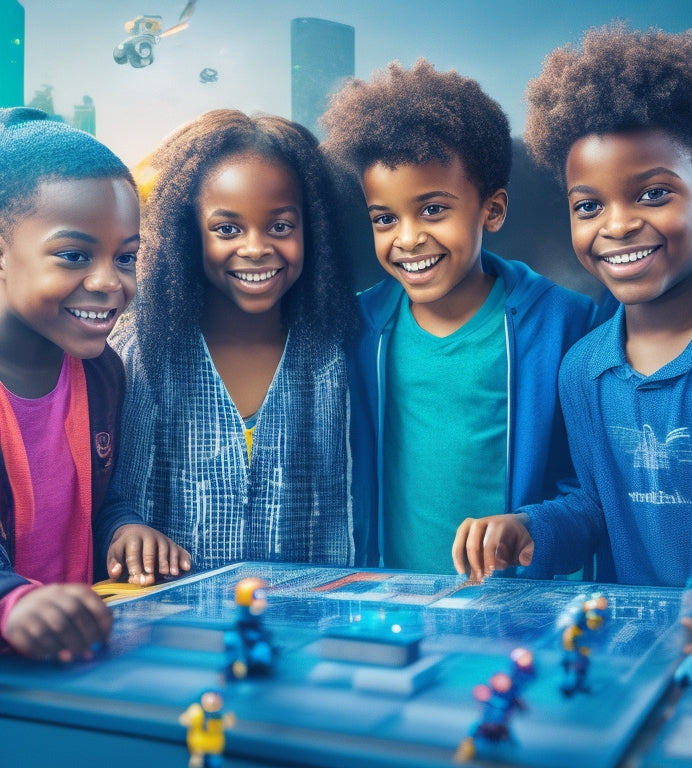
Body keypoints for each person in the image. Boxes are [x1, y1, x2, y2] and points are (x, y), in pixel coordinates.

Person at [452, 26, 692, 678]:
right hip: (634, 662)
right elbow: (596, 507)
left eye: (653, 193)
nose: (617, 225)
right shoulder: (584, 367)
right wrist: (530, 530)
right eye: (589, 204)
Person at [321, 60, 596, 573]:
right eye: (385, 218)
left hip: (516, 611)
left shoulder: (565, 324)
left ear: (491, 210)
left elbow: (590, 490)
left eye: (432, 210)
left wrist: (532, 526)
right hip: (391, 603)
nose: (407, 238)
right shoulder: (357, 327)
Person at [102, 109, 368, 570]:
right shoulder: (140, 354)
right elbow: (110, 498)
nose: (256, 248)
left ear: (314, 229)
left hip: (306, 627)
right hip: (173, 626)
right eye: (227, 229)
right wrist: (125, 529)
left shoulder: (336, 359)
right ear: (187, 233)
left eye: (281, 226)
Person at [0, 107, 189, 661]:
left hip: (71, 662)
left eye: (126, 257)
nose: (110, 282)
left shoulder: (103, 372)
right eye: (74, 255)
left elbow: (94, 505)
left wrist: (124, 530)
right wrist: (14, 604)